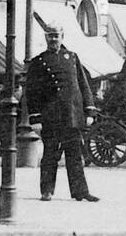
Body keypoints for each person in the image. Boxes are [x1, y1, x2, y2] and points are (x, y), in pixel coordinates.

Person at [27, 23, 98, 202]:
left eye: (56, 35)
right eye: (50, 36)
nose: (53, 39)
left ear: (62, 36)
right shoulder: (38, 62)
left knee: (75, 155)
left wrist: (89, 111)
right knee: (50, 155)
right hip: (51, 116)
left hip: (72, 115)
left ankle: (80, 191)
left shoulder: (73, 58)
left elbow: (83, 85)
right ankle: (47, 191)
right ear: (45, 38)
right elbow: (32, 92)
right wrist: (35, 118)